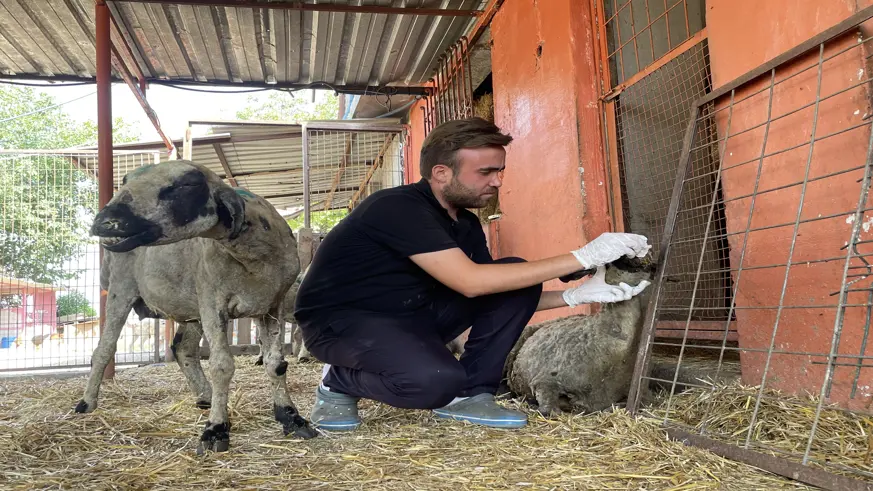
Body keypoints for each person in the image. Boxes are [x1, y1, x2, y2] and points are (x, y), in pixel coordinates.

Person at [293, 117, 651, 431]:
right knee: (434, 383)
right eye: (485, 172)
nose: (497, 182)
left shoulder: (464, 223)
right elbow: (470, 282)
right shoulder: (395, 207)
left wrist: (575, 296)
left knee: (514, 273)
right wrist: (582, 255)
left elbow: (493, 290)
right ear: (441, 173)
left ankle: (472, 395)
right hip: (342, 325)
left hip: (410, 318)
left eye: (500, 172)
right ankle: (338, 382)